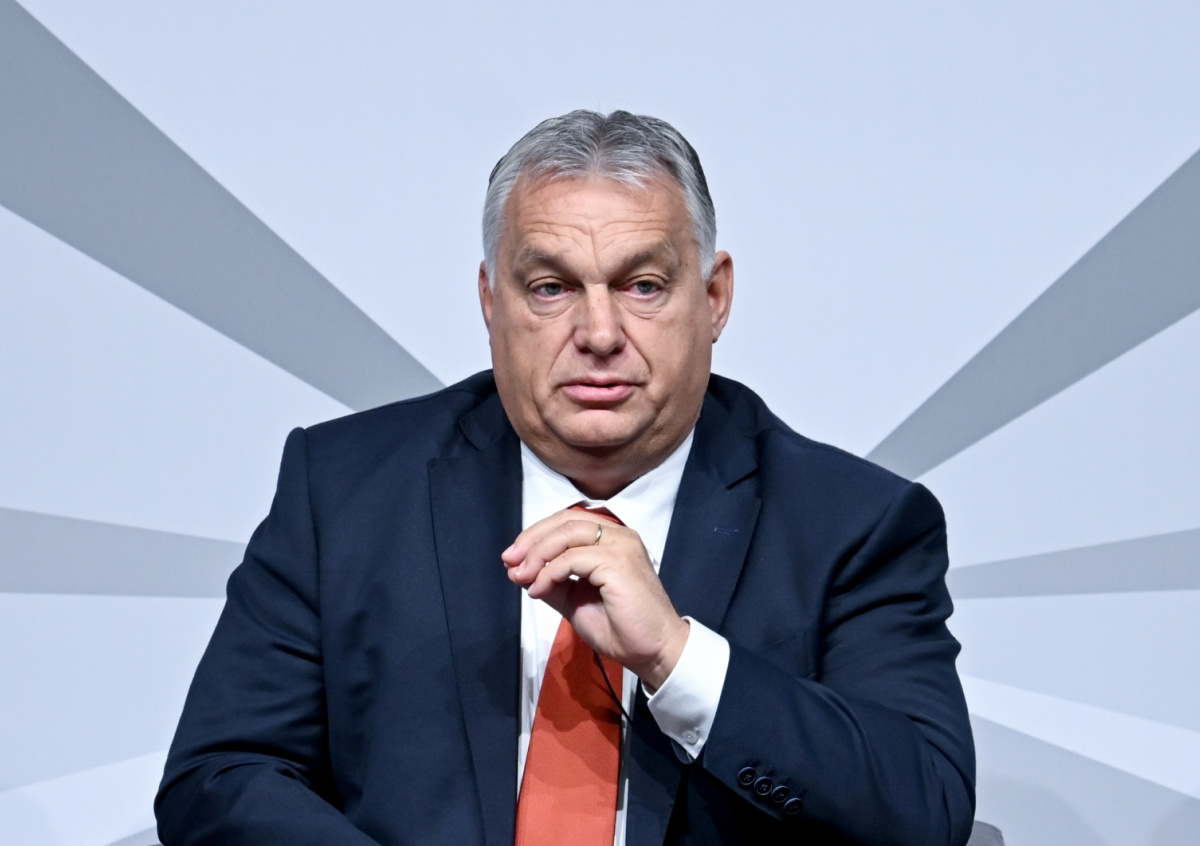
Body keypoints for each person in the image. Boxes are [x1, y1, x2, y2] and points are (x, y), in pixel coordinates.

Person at [156, 110, 975, 846]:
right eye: (551, 288)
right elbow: (220, 777)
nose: (599, 333)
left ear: (715, 297)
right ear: (491, 301)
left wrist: (677, 657)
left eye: (643, 286)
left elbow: (926, 809)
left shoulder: (854, 526)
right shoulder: (344, 491)